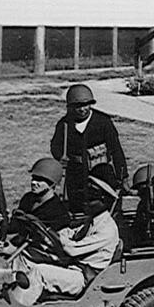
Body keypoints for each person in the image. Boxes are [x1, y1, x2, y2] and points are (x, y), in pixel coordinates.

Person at [5, 167, 122, 307]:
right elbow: (68, 233)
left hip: (83, 277)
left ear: (104, 200)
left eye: (91, 197)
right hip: (72, 267)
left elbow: (72, 249)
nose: (85, 201)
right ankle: (8, 298)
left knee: (39, 272)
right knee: (22, 259)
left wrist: (49, 232)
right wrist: (44, 233)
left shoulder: (107, 229)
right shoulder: (91, 221)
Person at [50, 83, 127, 214]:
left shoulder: (103, 122)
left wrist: (122, 176)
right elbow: (55, 146)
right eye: (77, 106)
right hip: (76, 174)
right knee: (77, 207)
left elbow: (116, 149)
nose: (82, 109)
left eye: (86, 105)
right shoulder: (64, 124)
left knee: (107, 205)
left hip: (102, 172)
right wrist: (59, 157)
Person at [14, 157, 70, 230]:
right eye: (33, 178)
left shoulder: (58, 212)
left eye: (39, 180)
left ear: (52, 183)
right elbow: (15, 227)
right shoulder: (27, 199)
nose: (33, 182)